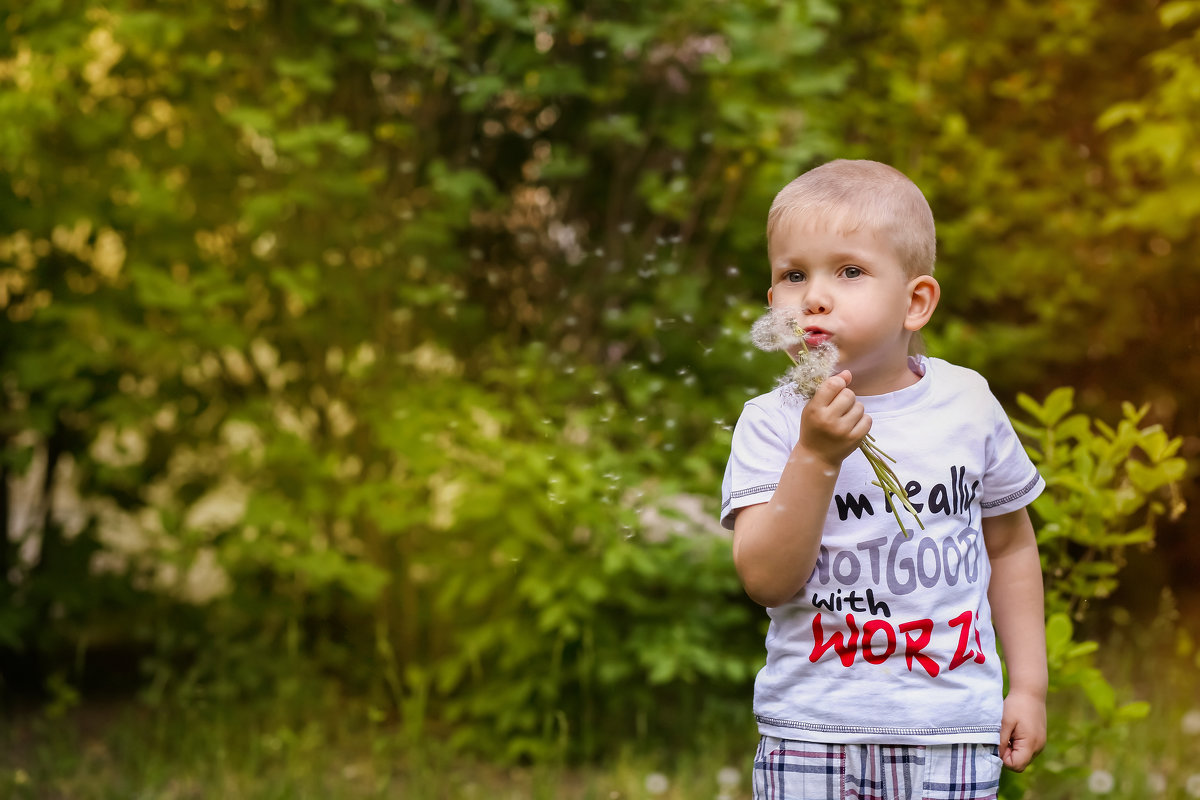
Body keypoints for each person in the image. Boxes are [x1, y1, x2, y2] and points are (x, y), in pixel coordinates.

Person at [720, 159, 1047, 800]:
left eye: (849, 271)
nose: (813, 295)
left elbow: (1009, 546)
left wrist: (1029, 685)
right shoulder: (770, 425)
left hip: (950, 729)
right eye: (793, 275)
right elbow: (765, 580)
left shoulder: (968, 404)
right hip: (810, 731)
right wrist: (815, 456)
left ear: (915, 301)